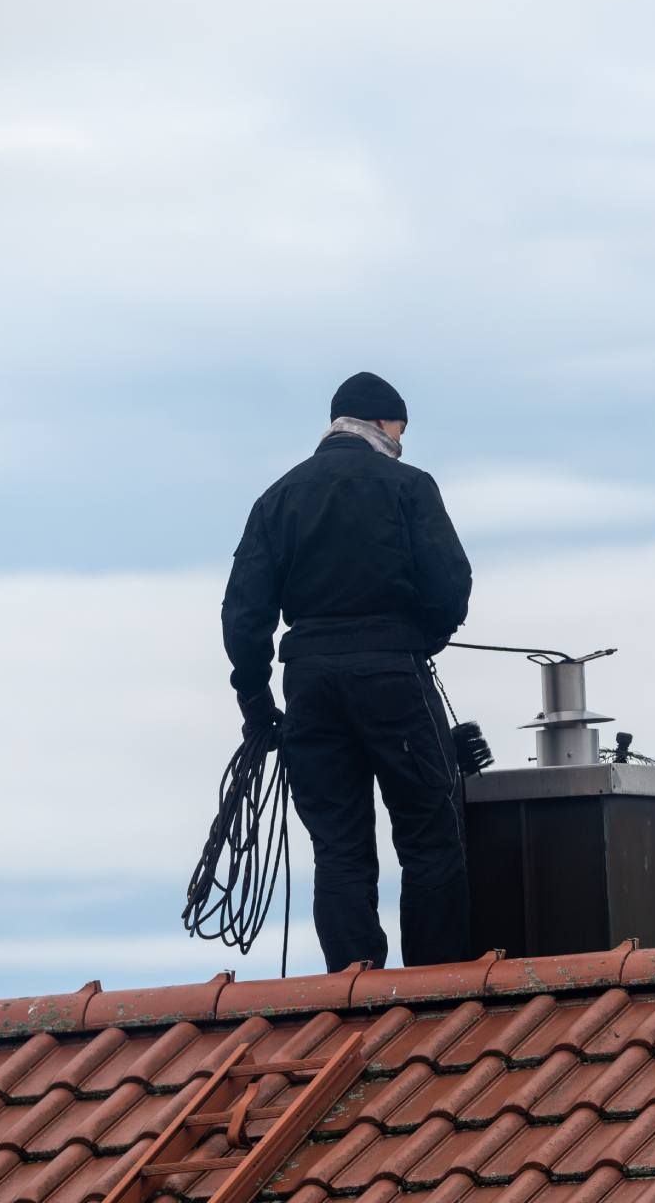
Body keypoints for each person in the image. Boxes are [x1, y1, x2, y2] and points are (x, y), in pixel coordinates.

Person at [220, 371, 474, 972]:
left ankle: (352, 996)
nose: (402, 441)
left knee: (338, 846)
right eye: (401, 429)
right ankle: (434, 992)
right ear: (385, 424)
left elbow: (244, 613)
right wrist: (424, 637)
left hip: (309, 683)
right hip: (393, 675)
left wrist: (255, 702)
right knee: (430, 837)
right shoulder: (410, 486)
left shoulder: (278, 497)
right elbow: (451, 585)